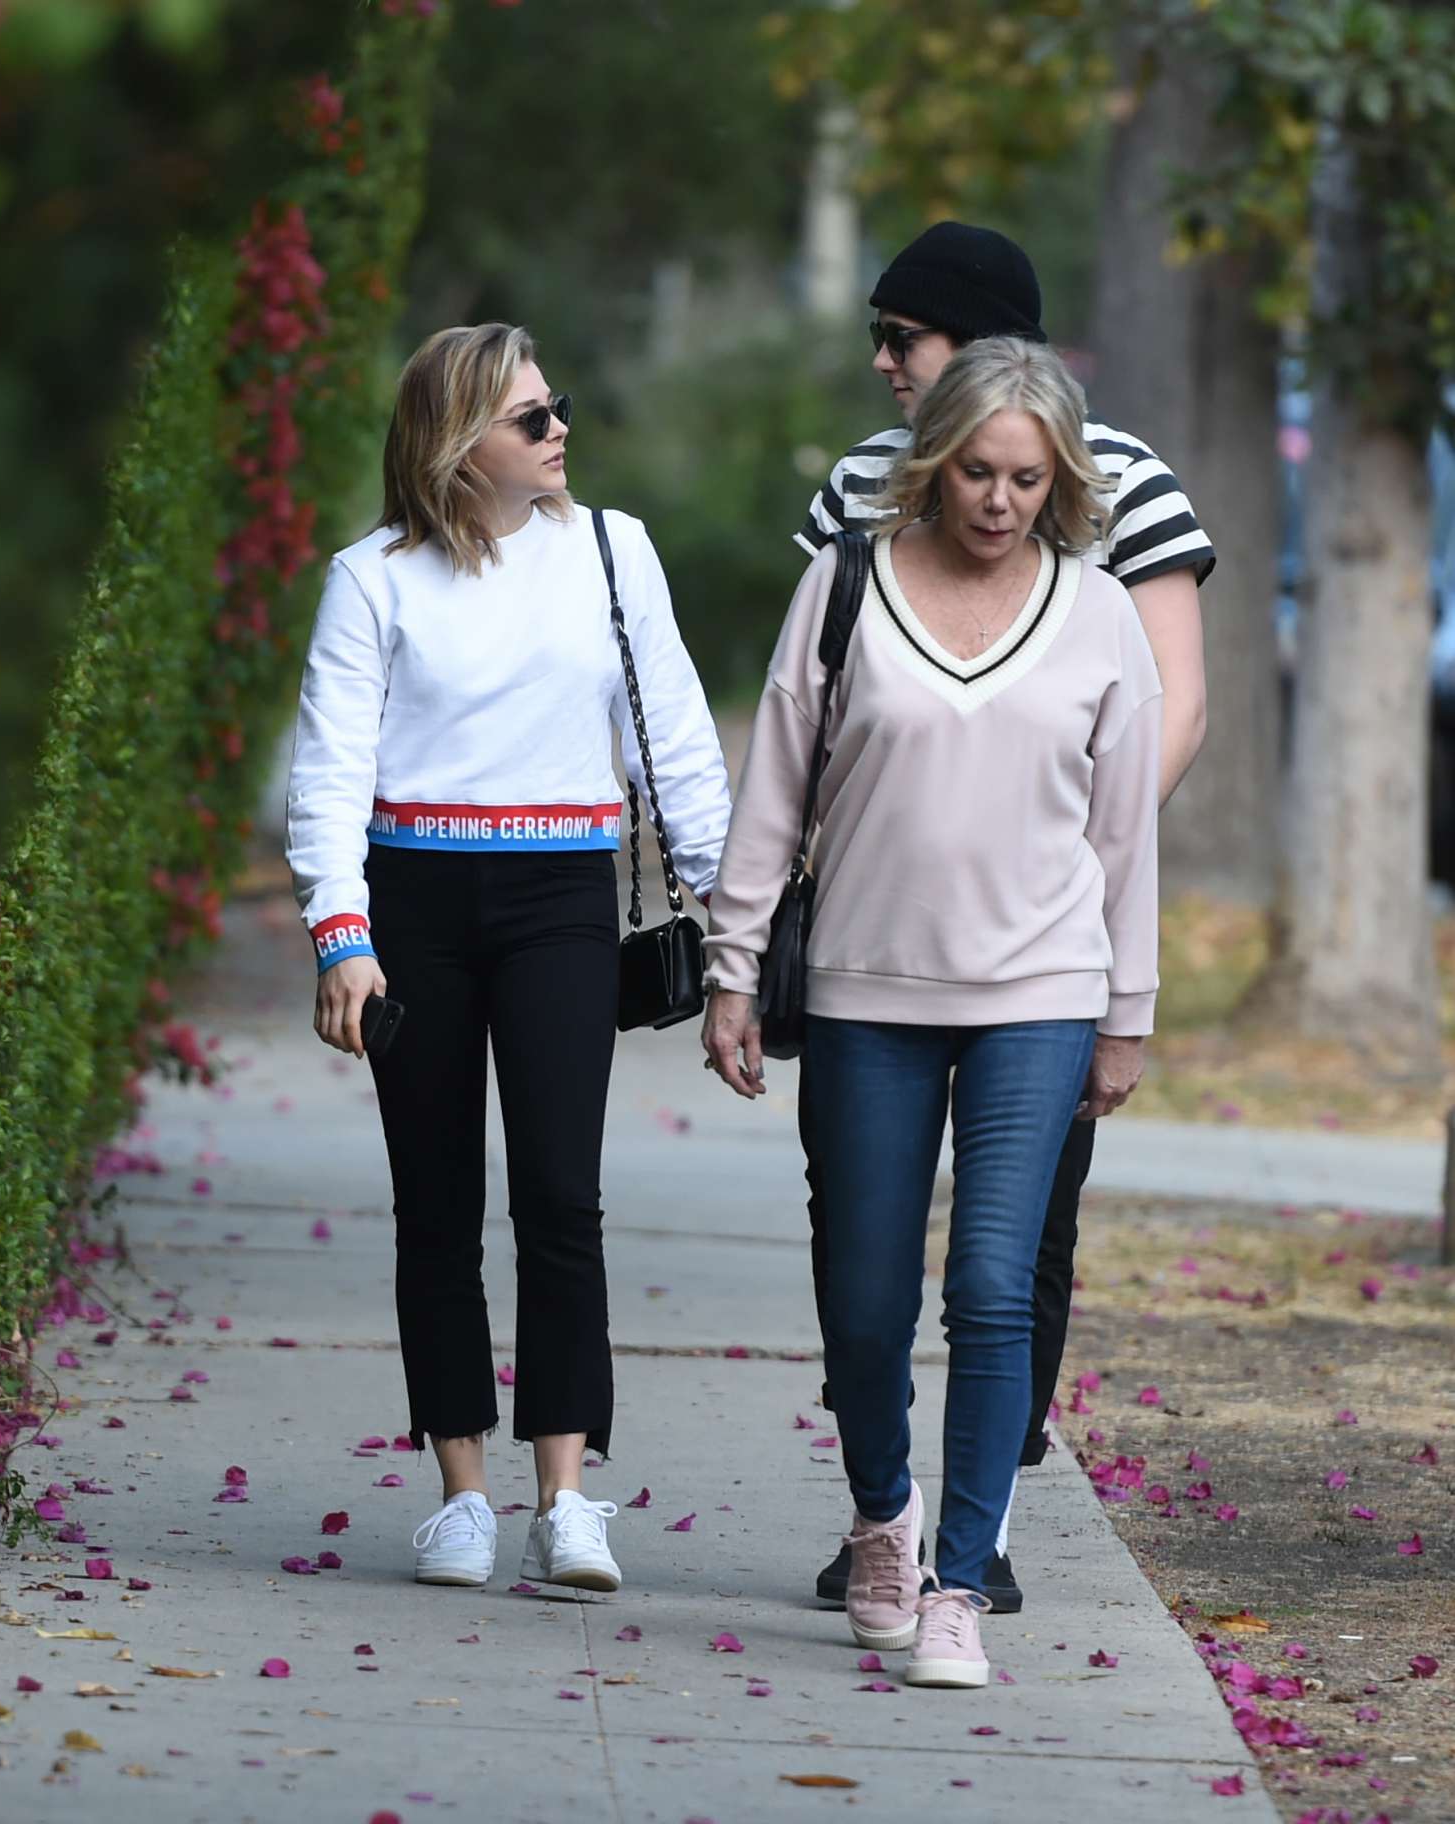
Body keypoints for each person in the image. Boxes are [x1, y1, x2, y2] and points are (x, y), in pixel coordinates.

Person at [702, 336, 1162, 1688]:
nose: (999, 501)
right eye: (977, 472)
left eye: (1027, 478)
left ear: (1059, 480)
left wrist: (1125, 1010)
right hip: (866, 988)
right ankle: (881, 1518)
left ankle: (960, 1581)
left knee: (992, 1285)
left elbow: (1124, 837)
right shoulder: (842, 585)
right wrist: (732, 967)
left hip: (1040, 993)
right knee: (862, 1299)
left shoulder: (1099, 614)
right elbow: (775, 789)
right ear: (933, 462)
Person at [795, 223, 1214, 1612]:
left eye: (901, 336)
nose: (881, 361)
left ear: (976, 344)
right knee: (859, 1245)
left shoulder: (1123, 479)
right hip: (879, 942)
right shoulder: (859, 484)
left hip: (1044, 942)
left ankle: (986, 1523)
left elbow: (1170, 705)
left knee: (1017, 1245)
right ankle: (884, 1513)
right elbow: (819, 704)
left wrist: (1059, 862)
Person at [286, 323, 730, 1594]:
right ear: (457, 443)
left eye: (558, 406)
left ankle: (568, 1499)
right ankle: (463, 1497)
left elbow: (675, 742)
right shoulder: (372, 579)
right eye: (531, 418)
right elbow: (330, 769)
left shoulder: (611, 549)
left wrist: (733, 919)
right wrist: (342, 933)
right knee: (434, 1205)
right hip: (414, 904)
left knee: (560, 1196)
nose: (558, 430)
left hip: (560, 901)